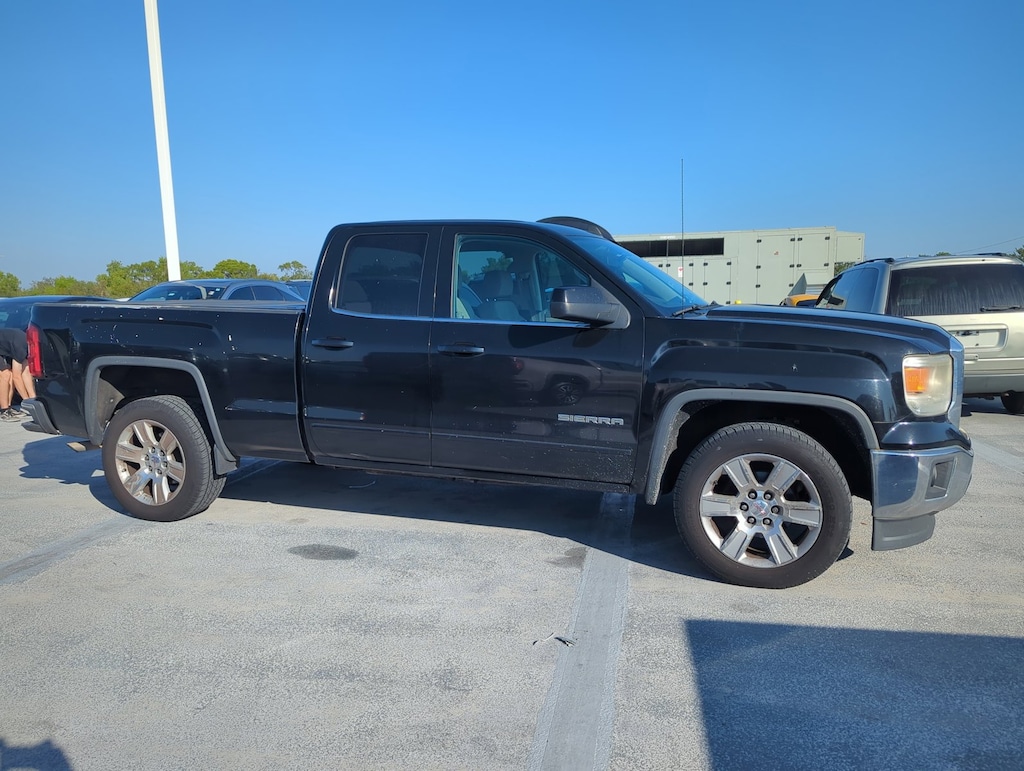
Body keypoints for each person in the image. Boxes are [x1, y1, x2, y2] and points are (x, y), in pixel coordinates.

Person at [0, 328, 36, 422]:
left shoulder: (29, 346)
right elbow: (17, 377)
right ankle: (4, 411)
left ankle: (8, 408)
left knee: (11, 374)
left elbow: (26, 373)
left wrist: (33, 398)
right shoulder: (22, 347)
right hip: (9, 344)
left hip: (6, 345)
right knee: (6, 374)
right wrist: (27, 401)